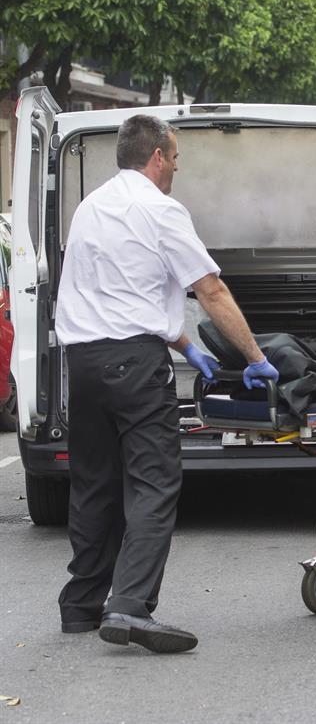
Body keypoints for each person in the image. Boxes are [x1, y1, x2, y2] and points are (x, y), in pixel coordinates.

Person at [55, 114, 279, 654]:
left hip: (82, 363)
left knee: (93, 483)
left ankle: (81, 605)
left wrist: (186, 347)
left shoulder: (91, 207)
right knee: (154, 483)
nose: (176, 167)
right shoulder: (160, 209)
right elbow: (211, 289)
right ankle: (129, 607)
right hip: (134, 366)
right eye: (175, 158)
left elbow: (119, 291)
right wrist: (254, 356)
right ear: (157, 156)